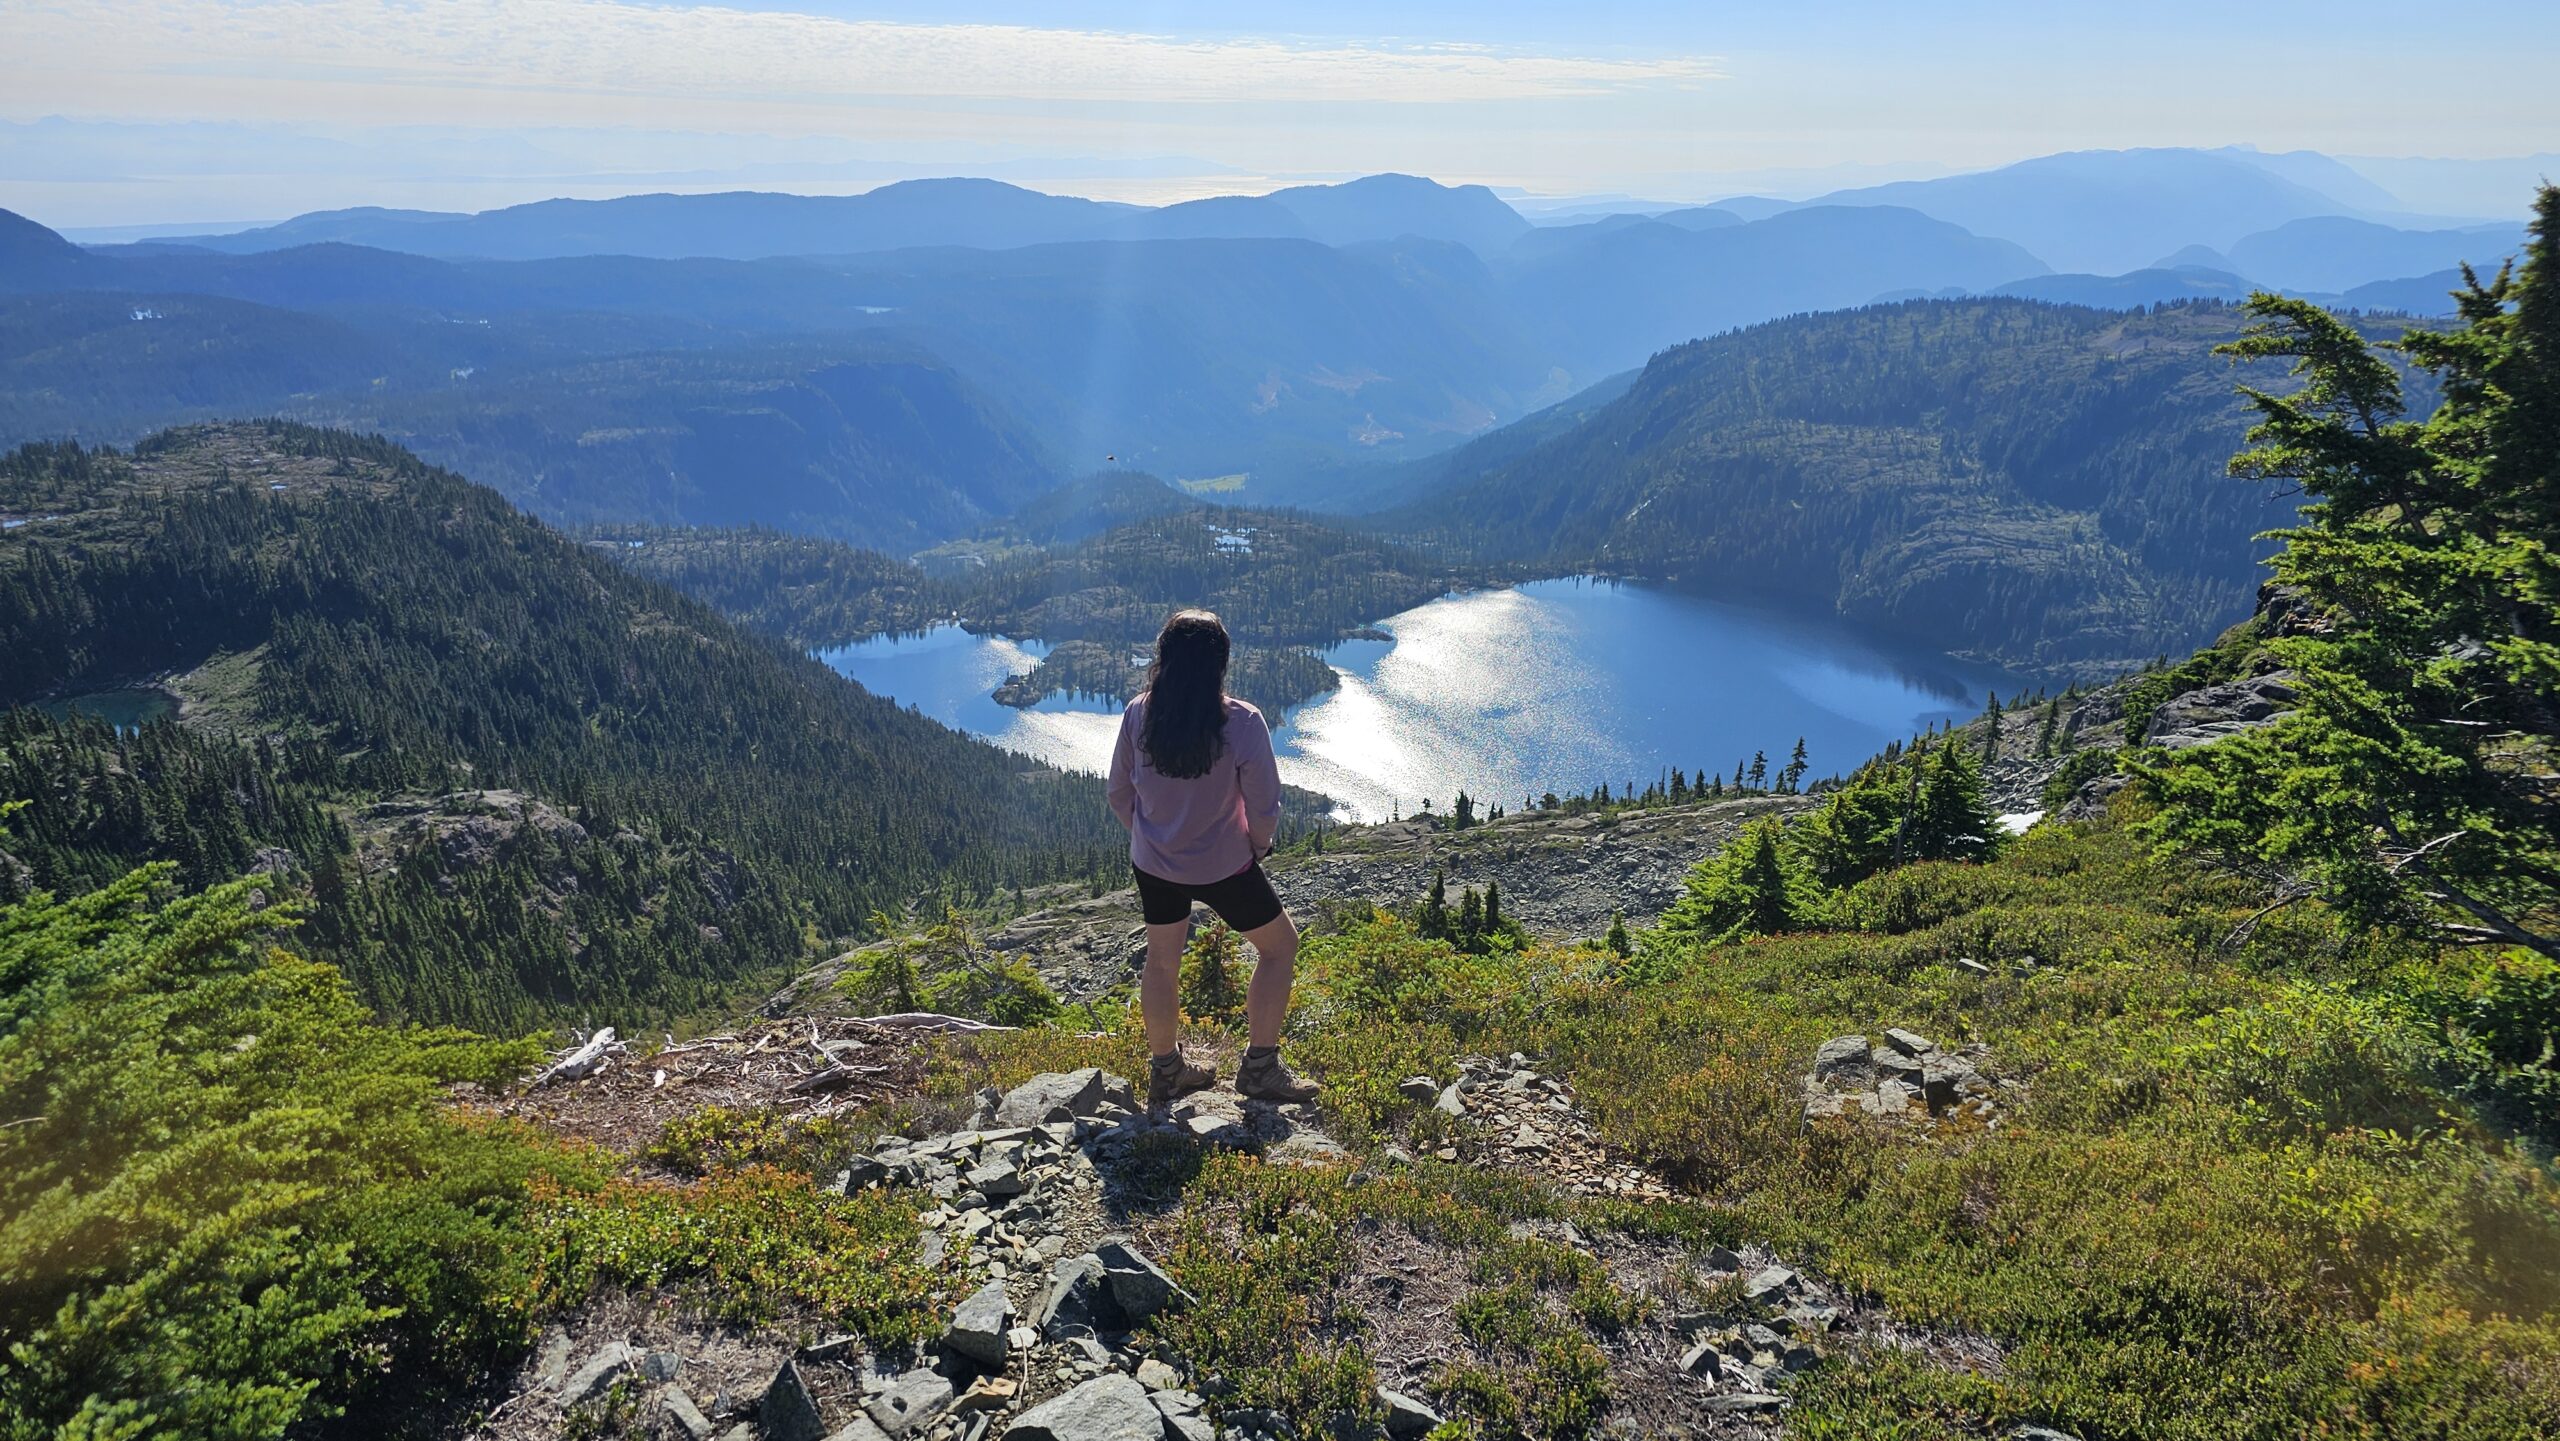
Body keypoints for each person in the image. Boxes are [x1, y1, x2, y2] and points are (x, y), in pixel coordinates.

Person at [1106, 609, 1320, 1114]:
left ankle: (1167, 1072)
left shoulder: (1140, 713)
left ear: (1165, 660)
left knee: (1161, 962)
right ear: (1219, 665)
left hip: (1155, 865)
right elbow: (1264, 802)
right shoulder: (1241, 722)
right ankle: (1260, 1068)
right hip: (1225, 866)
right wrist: (1258, 846)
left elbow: (1118, 792)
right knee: (1279, 948)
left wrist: (1150, 838)